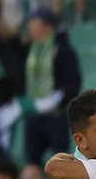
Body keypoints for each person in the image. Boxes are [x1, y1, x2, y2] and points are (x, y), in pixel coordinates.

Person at [23, 10, 81, 164]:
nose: (31, 31)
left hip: (56, 114)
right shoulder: (31, 50)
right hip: (34, 113)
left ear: (48, 27)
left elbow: (73, 81)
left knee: (61, 160)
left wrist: (57, 99)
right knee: (32, 160)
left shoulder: (62, 50)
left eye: (35, 26)